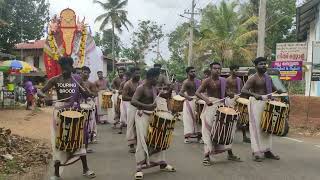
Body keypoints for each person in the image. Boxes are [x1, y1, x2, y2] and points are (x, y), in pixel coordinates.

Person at [39, 57, 95, 179]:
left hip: (75, 111)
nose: (64, 70)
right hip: (59, 112)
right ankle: (56, 173)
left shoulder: (77, 79)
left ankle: (86, 169)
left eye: (67, 67)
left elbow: (85, 93)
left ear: (71, 67)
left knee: (78, 139)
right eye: (62, 67)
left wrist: (89, 94)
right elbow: (41, 91)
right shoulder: (55, 80)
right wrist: (44, 96)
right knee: (58, 141)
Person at [131, 68, 175, 180]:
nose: (158, 79)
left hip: (153, 116)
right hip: (142, 116)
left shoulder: (154, 87)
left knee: (158, 138)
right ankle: (139, 168)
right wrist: (147, 106)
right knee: (143, 141)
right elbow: (133, 101)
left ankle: (162, 164)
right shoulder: (141, 88)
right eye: (157, 77)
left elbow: (163, 96)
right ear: (150, 77)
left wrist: (169, 91)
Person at [196, 62, 241, 166]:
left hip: (221, 106)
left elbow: (225, 92)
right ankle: (206, 156)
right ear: (211, 69)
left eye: (219, 68)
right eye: (215, 68)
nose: (217, 70)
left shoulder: (223, 80)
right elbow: (197, 93)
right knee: (207, 131)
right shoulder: (207, 81)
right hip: (210, 106)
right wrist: (206, 100)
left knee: (225, 130)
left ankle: (230, 153)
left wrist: (229, 94)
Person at [241, 57, 282, 162]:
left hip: (267, 103)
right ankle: (256, 152)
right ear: (256, 66)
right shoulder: (253, 78)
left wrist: (278, 90)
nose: (264, 65)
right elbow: (244, 90)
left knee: (267, 127)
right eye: (261, 64)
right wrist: (255, 94)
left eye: (265, 64)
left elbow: (273, 88)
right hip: (255, 103)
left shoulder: (268, 77)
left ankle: (267, 151)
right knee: (256, 128)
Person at [225, 64, 251, 143]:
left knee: (242, 117)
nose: (236, 71)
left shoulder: (239, 79)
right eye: (235, 70)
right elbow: (225, 91)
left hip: (239, 99)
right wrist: (230, 94)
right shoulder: (227, 80)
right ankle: (228, 136)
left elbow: (242, 90)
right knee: (231, 118)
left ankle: (244, 137)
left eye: (237, 69)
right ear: (231, 70)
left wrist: (243, 98)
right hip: (230, 100)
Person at [179, 66, 202, 143]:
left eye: (194, 71)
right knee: (188, 120)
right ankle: (186, 138)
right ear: (188, 73)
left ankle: (199, 138)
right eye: (192, 71)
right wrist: (187, 97)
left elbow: (200, 92)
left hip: (197, 101)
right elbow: (181, 93)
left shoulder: (198, 81)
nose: (194, 73)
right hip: (189, 102)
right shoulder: (186, 82)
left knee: (198, 119)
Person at [123, 67, 141, 153]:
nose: (138, 75)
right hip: (132, 106)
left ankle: (140, 143)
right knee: (131, 124)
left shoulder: (140, 83)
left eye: (139, 73)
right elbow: (124, 97)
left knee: (140, 125)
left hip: (141, 106)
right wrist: (134, 99)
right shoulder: (127, 84)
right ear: (132, 74)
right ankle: (131, 145)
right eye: (136, 73)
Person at [81, 66, 98, 145]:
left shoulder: (91, 83)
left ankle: (92, 135)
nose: (86, 74)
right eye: (84, 72)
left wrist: (89, 93)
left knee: (91, 120)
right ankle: (82, 137)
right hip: (80, 103)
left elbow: (95, 94)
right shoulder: (77, 82)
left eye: (87, 73)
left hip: (89, 103)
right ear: (81, 73)